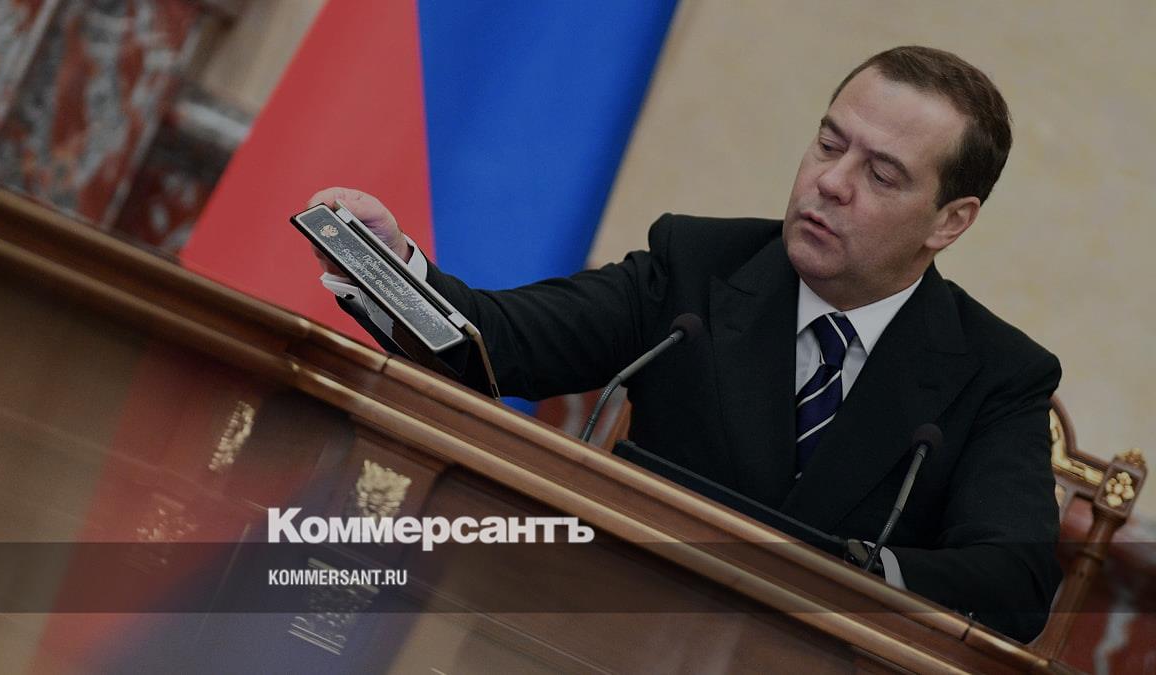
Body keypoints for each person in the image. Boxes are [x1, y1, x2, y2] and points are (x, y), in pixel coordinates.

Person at [305, 46, 1061, 642]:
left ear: (950, 221)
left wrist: (852, 576)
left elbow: (1014, 581)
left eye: (882, 175)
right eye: (829, 144)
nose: (831, 182)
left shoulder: (997, 374)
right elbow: (499, 342)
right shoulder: (697, 267)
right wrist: (391, 266)